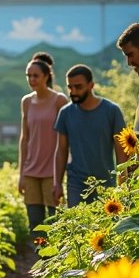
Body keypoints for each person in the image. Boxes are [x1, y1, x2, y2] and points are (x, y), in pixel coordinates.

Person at [53, 64, 127, 207]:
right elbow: (61, 151)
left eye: (78, 87)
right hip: (76, 184)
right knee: (78, 226)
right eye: (70, 87)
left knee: (105, 227)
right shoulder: (65, 113)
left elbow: (121, 150)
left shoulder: (112, 111)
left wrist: (122, 184)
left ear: (91, 85)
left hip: (106, 183)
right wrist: (57, 184)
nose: (73, 91)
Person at [18, 52, 69, 235]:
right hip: (31, 170)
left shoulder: (59, 100)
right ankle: (41, 261)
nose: (31, 79)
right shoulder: (26, 102)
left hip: (52, 172)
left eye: (35, 75)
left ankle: (53, 262)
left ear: (46, 76)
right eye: (28, 76)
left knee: (54, 223)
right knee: (35, 225)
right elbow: (25, 138)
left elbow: (66, 137)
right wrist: (21, 173)